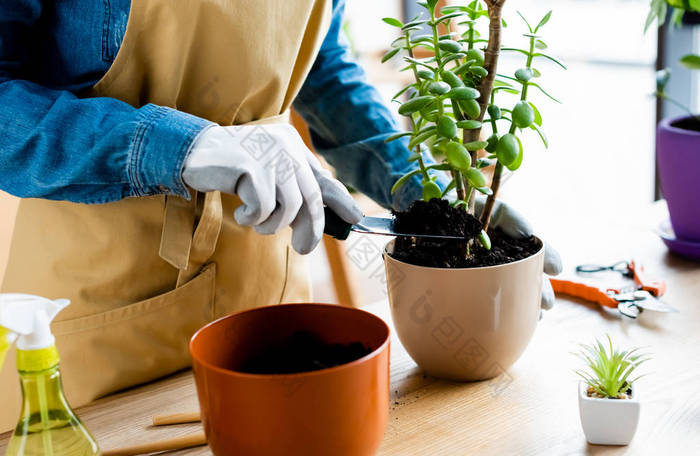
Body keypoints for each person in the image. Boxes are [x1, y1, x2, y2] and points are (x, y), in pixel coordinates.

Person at [0, 0, 561, 429]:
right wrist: (177, 146)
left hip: (266, 282)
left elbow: (327, 72)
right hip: (99, 311)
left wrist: (436, 201)